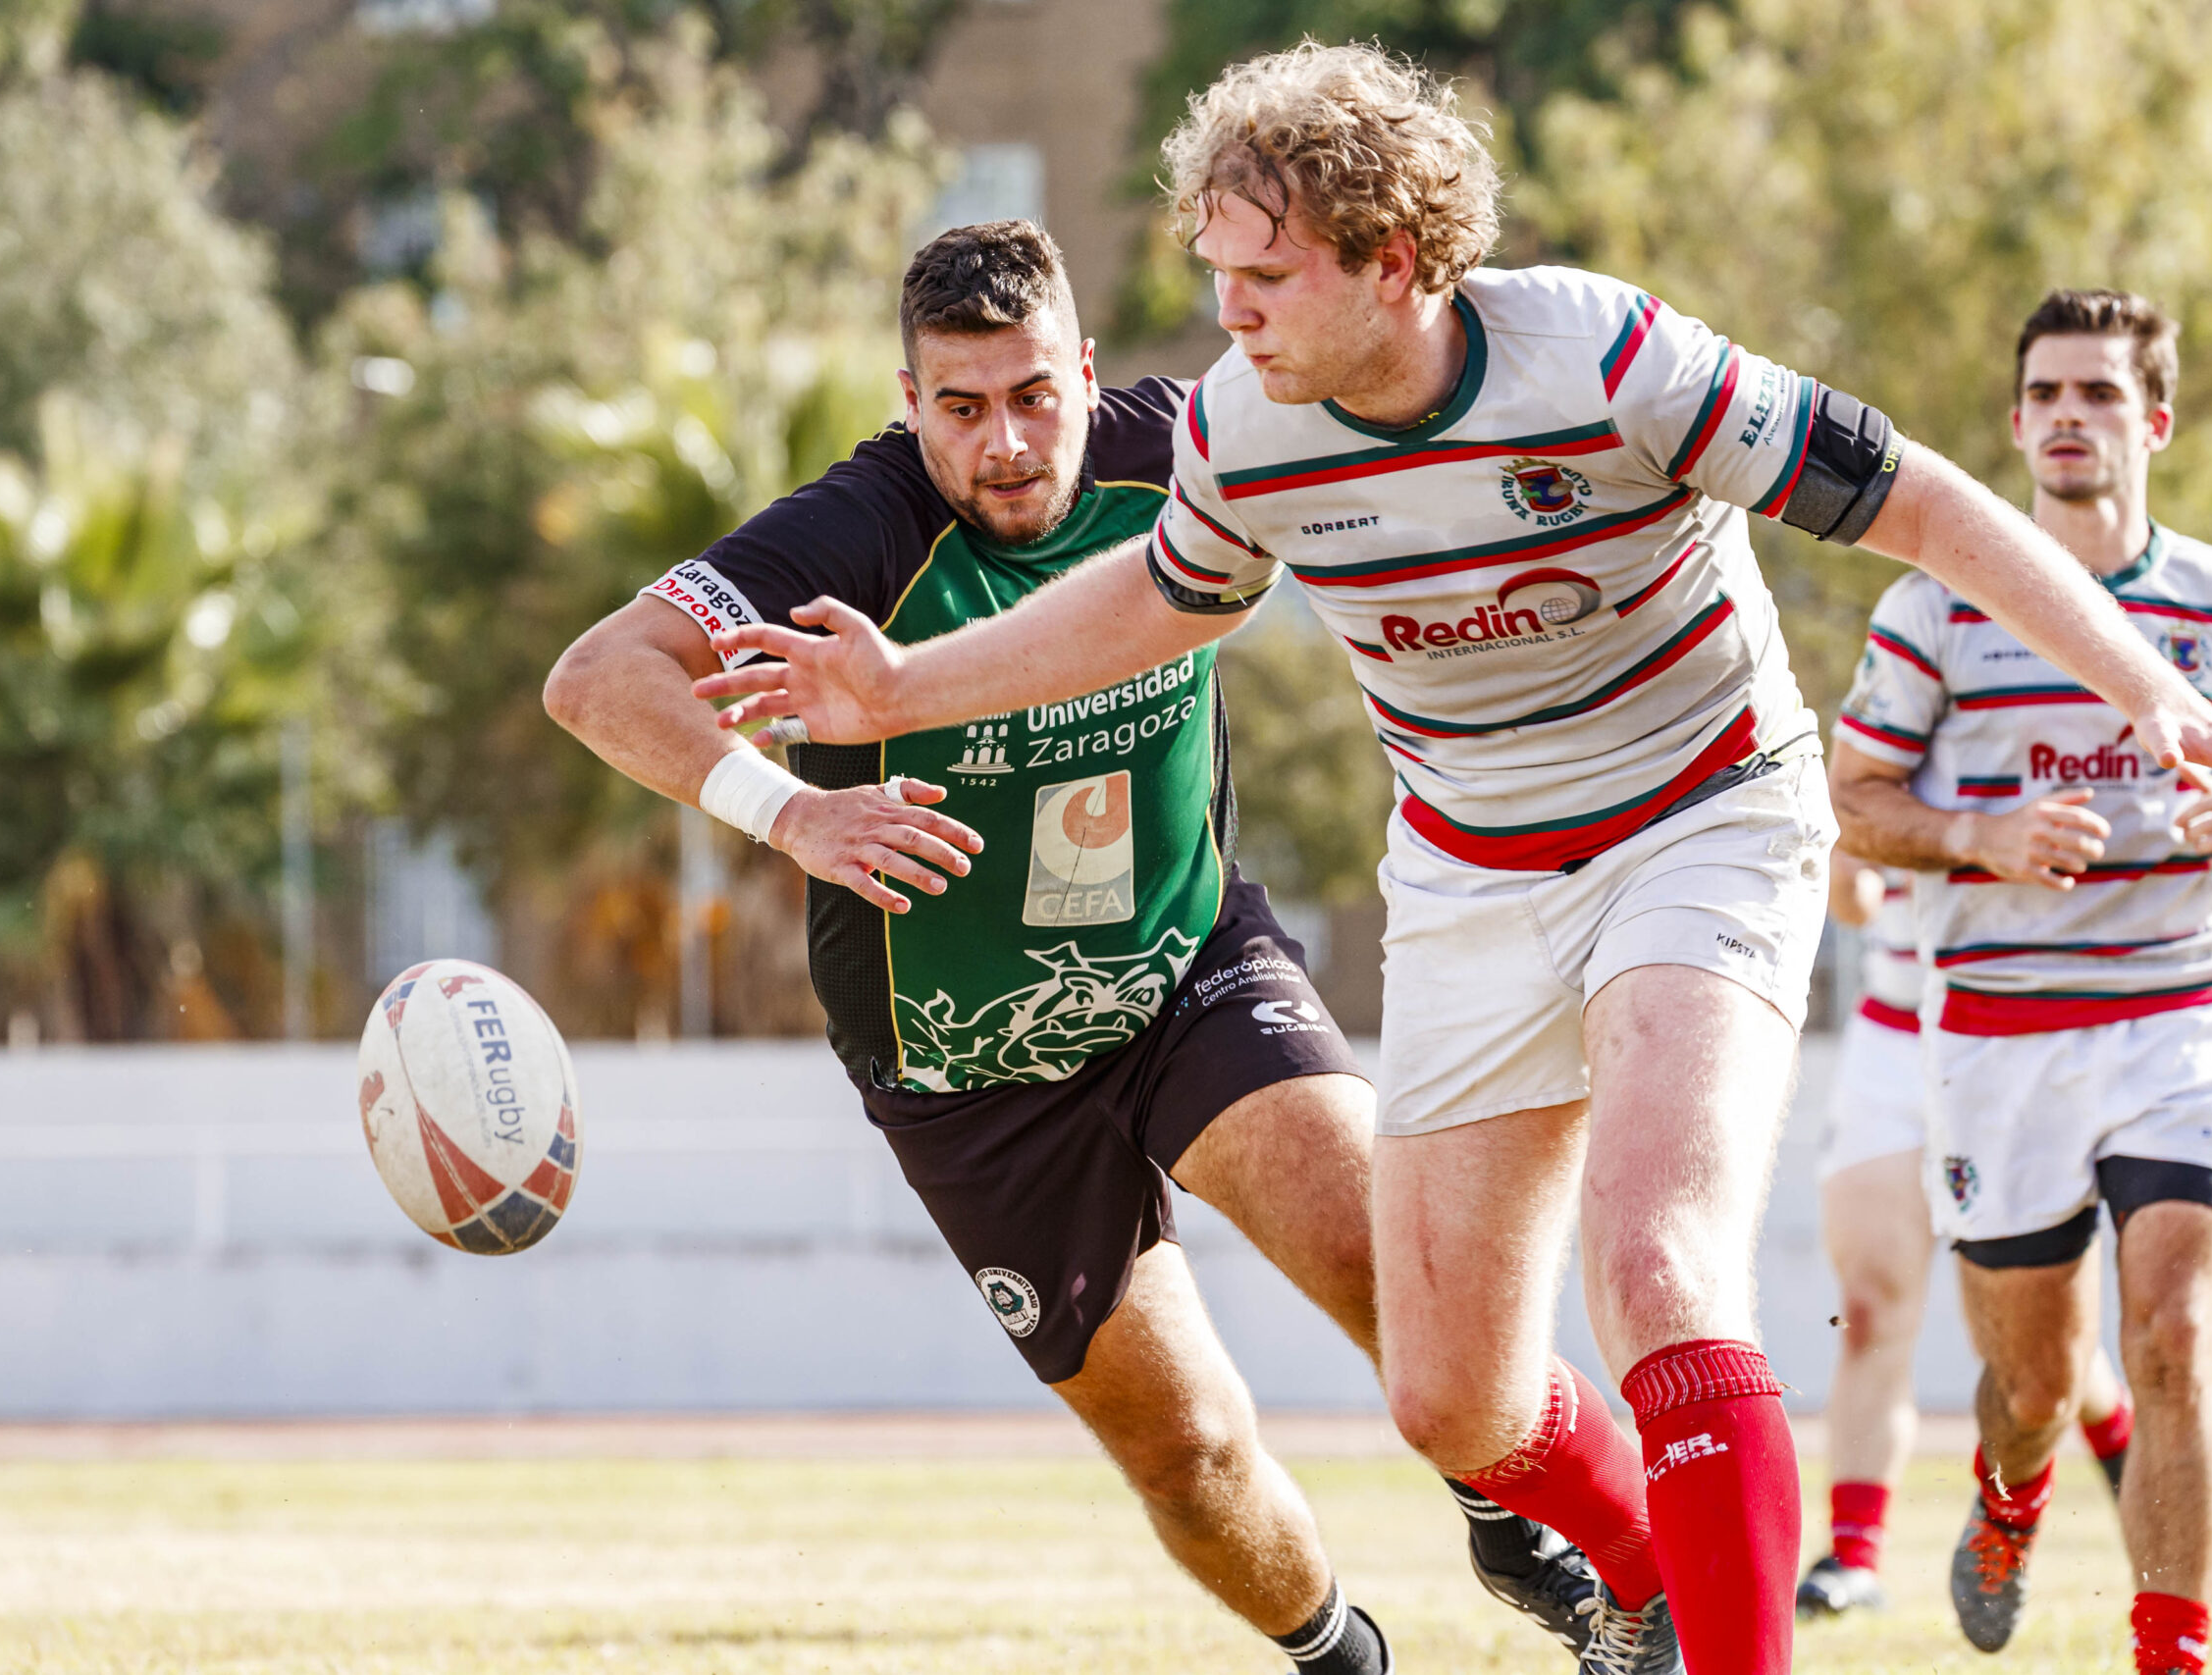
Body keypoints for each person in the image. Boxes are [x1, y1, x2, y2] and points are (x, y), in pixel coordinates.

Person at [693, 54, 2212, 1675]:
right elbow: (1154, 601)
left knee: (1655, 1265)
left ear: (1390, 259)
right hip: (1471, 870)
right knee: (1449, 1397)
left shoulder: (1611, 358)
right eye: (1216, 272)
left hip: (1702, 819)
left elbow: (1926, 506)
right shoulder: (1243, 427)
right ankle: (1646, 1584)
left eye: (1264, 273)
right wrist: (899, 692)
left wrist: (2147, 687)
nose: (1227, 310)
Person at [545, 221, 1614, 1675]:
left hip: (1186, 966)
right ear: (909, 401)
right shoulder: (851, 535)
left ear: (1089, 373)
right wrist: (791, 813)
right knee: (1188, 1451)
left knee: (1393, 1259)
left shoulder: (1187, 447)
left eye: (1033, 395)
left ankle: (1546, 1538)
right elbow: (596, 678)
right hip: (967, 1071)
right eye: (960, 406)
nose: (1002, 443)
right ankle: (1344, 1661)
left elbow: (1402, 406)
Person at [1828, 289, 2212, 1675]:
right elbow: (1852, 798)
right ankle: (2011, 1493)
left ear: (2152, 421)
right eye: (2044, 393)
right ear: (2013, 421)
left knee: (2173, 1331)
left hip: (2180, 1011)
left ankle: (2172, 1651)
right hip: (2000, 1034)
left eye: (2097, 392)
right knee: (2036, 1382)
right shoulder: (1938, 606)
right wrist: (1980, 836)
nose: (2066, 416)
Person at [1796, 850, 2132, 1620]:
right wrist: (1849, 876)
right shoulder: (1882, 758)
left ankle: (2120, 1439)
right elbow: (1855, 894)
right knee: (1867, 1308)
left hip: (2010, 1032)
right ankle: (1854, 1556)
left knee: (2030, 1331)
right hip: (1894, 1035)